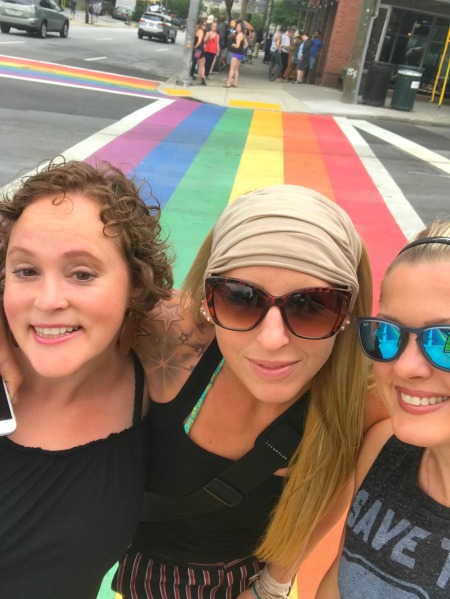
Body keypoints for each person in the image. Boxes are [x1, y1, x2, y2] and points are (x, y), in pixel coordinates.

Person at [112, 185, 374, 598]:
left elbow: (330, 489)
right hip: (141, 573)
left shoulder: (364, 397)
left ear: (346, 313)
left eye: (312, 305)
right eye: (240, 298)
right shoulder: (164, 335)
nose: (272, 340)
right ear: (208, 299)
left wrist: (272, 585)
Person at [0, 159, 173, 598]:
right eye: (26, 270)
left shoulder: (162, 373)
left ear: (136, 284)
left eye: (82, 273)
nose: (48, 300)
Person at [317, 223, 450, 598]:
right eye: (388, 334)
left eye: (446, 341)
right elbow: (337, 584)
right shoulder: (382, 447)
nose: (406, 367)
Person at [225, 20, 247, 88]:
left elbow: (237, 45)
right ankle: (235, 83)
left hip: (237, 53)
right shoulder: (243, 35)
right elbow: (246, 44)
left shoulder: (238, 35)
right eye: (236, 26)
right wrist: (242, 48)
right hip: (241, 54)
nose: (237, 27)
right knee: (236, 69)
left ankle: (228, 83)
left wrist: (233, 44)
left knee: (232, 68)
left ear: (241, 28)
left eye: (239, 26)